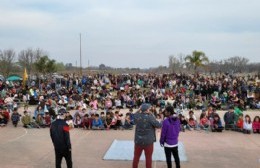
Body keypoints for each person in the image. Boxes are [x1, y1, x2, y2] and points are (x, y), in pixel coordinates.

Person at [132, 103, 162, 168]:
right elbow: (159, 125)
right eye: (149, 108)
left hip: (138, 141)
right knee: (148, 158)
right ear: (147, 109)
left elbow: (133, 117)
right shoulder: (150, 117)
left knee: (136, 157)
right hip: (148, 141)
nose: (150, 109)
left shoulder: (137, 116)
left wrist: (138, 110)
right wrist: (152, 114)